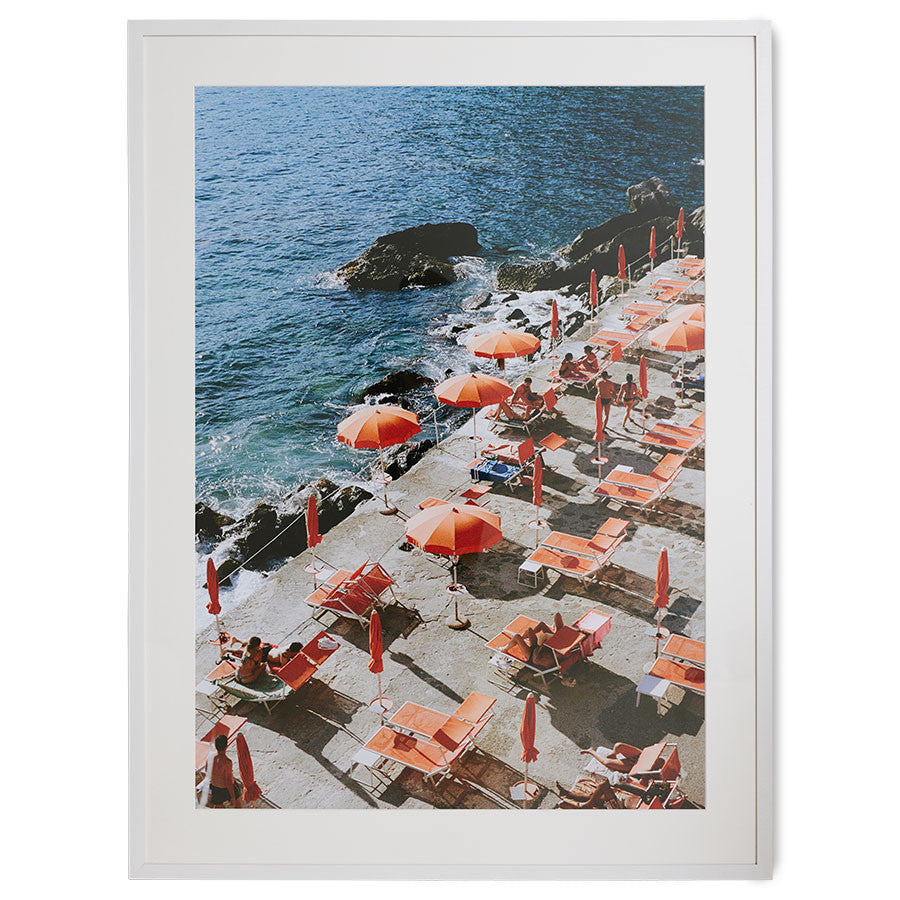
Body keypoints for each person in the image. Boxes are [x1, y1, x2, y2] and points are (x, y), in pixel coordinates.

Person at [208, 733, 243, 808]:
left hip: (215, 787)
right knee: (238, 803)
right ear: (226, 747)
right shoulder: (227, 762)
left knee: (218, 805)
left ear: (215, 746)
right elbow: (228, 781)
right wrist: (233, 797)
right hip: (226, 788)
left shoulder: (209, 759)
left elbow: (207, 771)